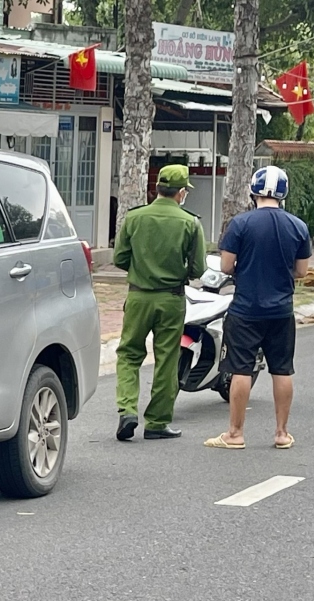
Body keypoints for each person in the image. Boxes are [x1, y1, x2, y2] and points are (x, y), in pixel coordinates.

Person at [205, 166, 311, 450]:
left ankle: (235, 434)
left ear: (253, 191)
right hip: (281, 310)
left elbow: (226, 265)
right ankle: (281, 433)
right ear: (283, 194)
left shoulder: (240, 224)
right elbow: (302, 271)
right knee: (282, 370)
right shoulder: (298, 226)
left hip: (246, 309)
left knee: (241, 369)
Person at [113, 164, 207, 442]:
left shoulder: (134, 218)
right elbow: (199, 268)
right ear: (181, 193)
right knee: (167, 359)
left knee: (129, 354)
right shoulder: (190, 222)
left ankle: (127, 409)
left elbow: (119, 258)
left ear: (156, 188)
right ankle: (156, 422)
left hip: (138, 296)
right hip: (171, 299)